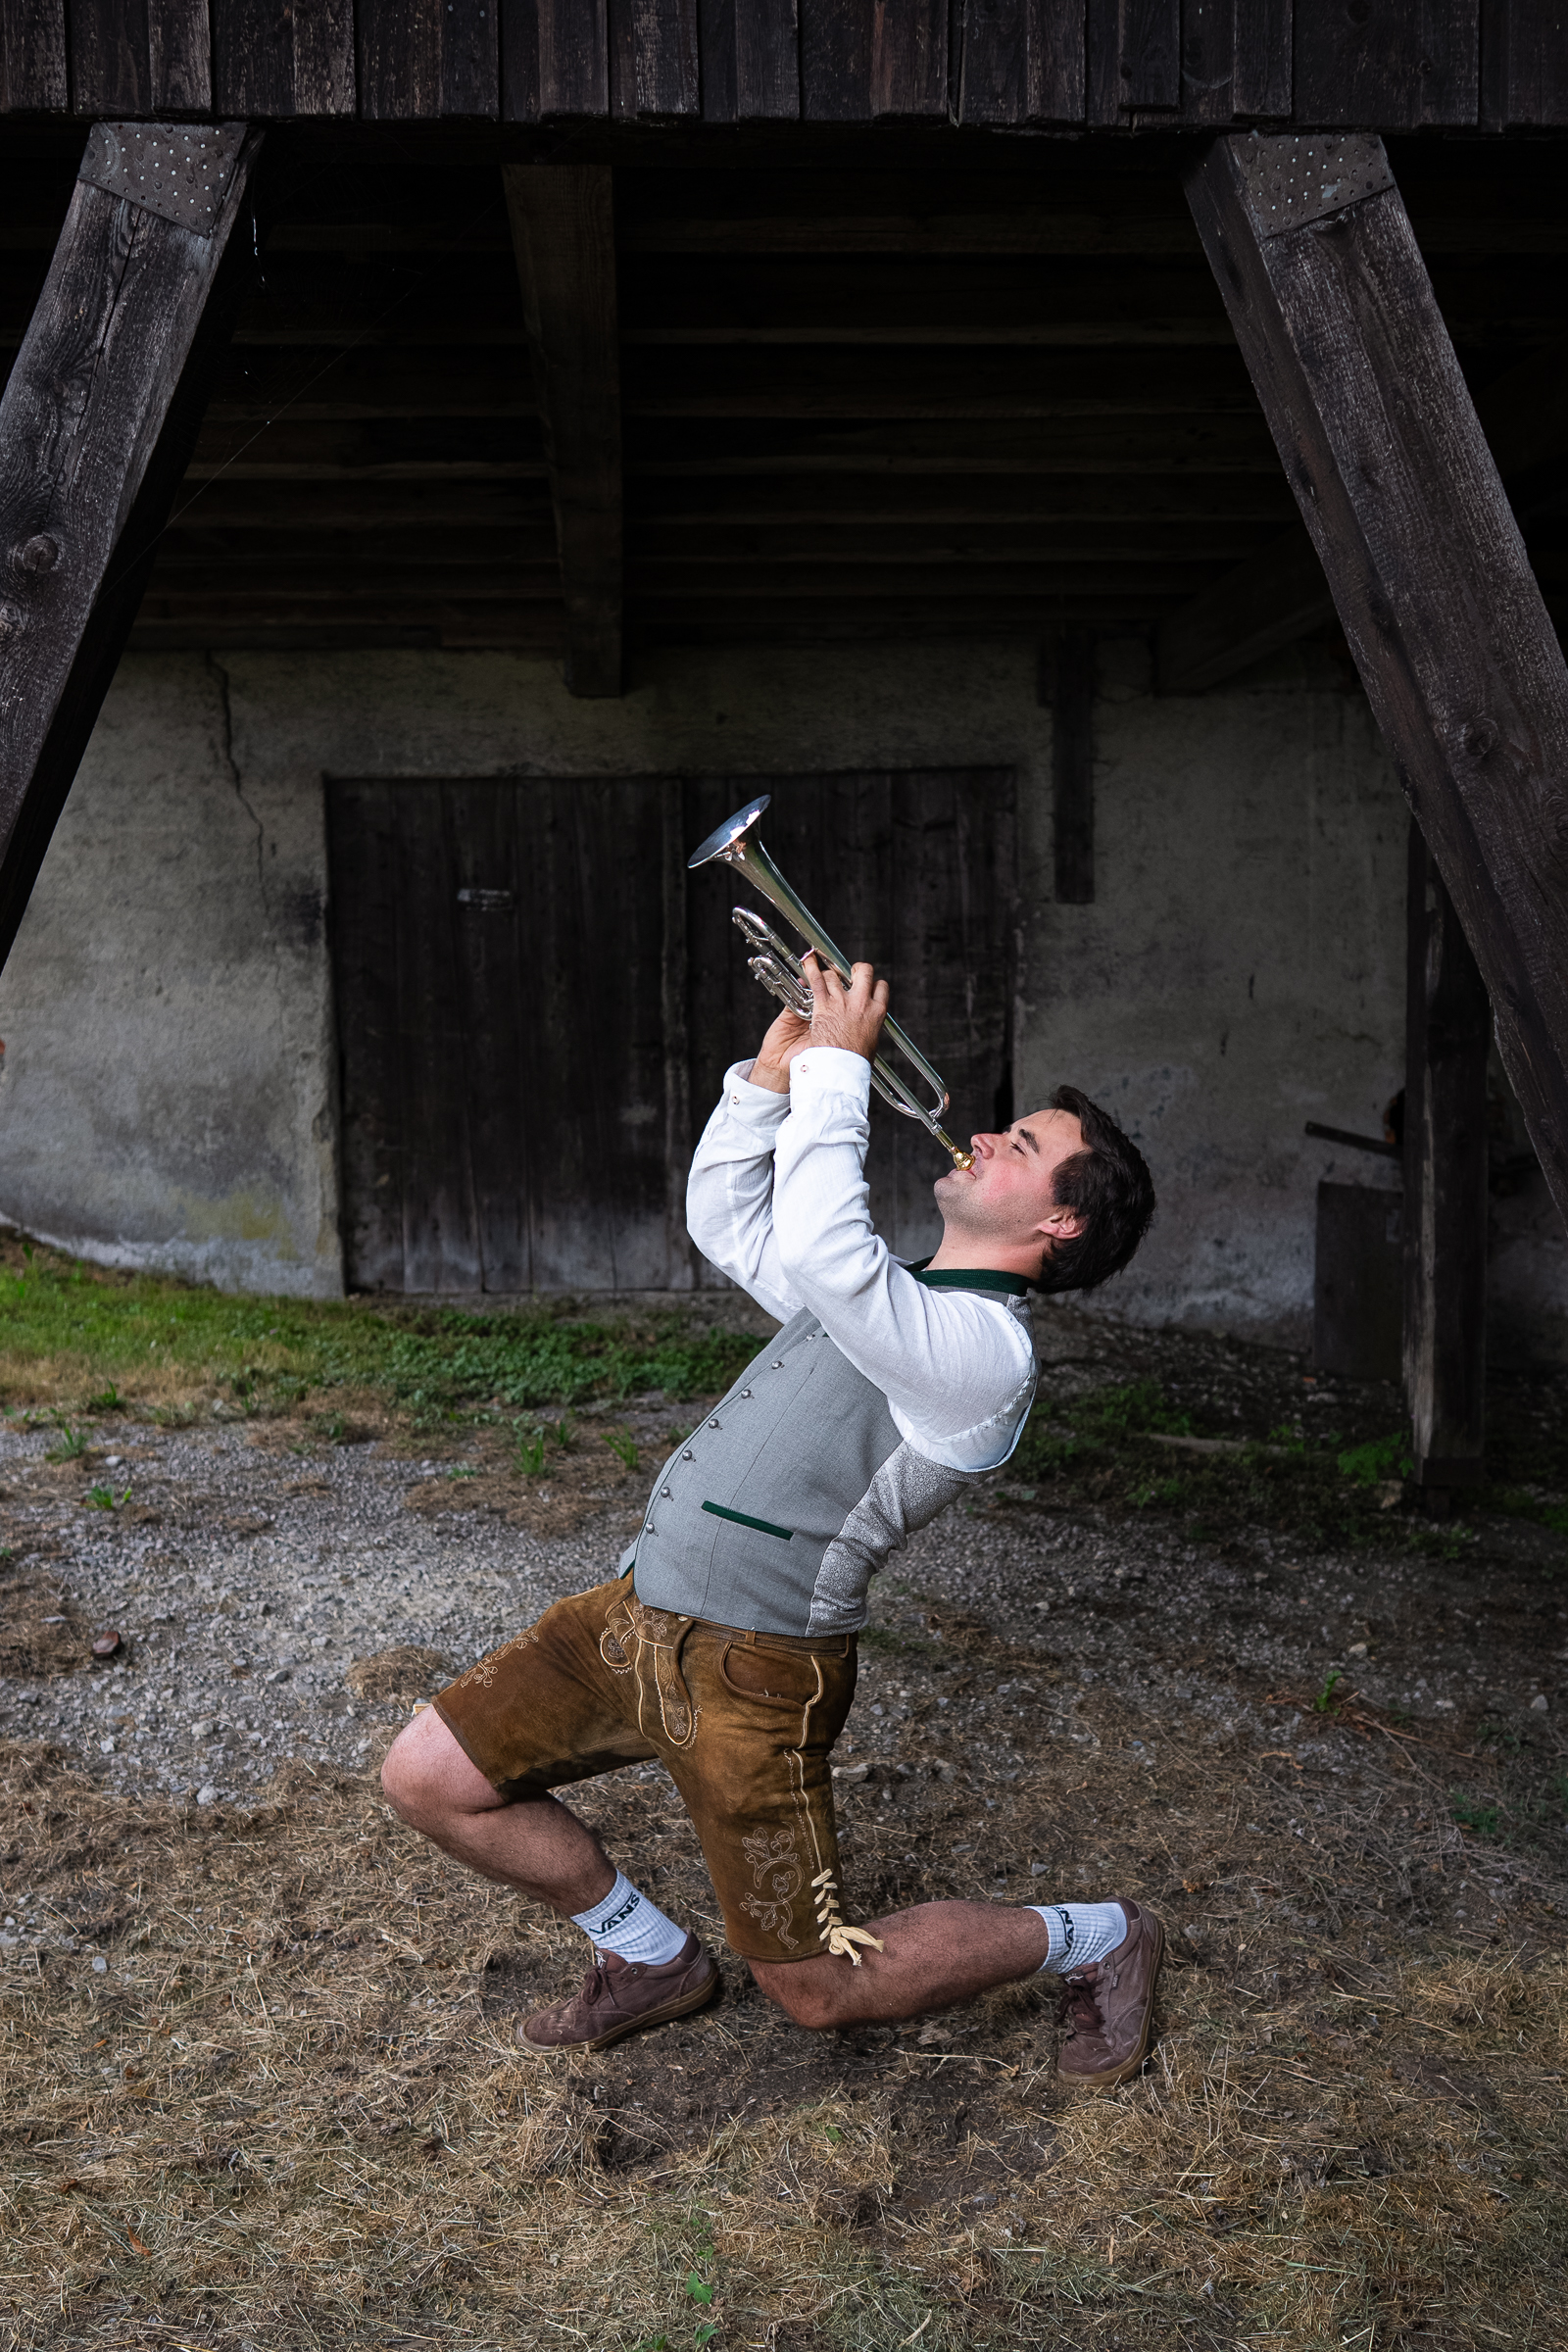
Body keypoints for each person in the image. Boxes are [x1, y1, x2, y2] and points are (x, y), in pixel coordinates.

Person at [382, 955, 1160, 2090]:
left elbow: (823, 1254)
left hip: (757, 1670)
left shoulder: (984, 1358)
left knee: (815, 1988)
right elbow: (728, 1218)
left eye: (1024, 1144)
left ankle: (1102, 1935)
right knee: (426, 1776)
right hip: (634, 1613)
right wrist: (767, 1081)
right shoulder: (893, 1296)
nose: (986, 1137)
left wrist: (841, 1074)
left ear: (1059, 1220)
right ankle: (649, 1957)